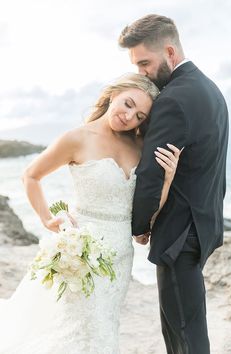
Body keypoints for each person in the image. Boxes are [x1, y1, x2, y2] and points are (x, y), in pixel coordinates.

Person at [0, 73, 181, 354]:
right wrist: (49, 220)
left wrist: (168, 178)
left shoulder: (139, 145)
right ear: (113, 95)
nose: (129, 116)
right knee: (74, 330)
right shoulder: (77, 138)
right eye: (128, 104)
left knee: (103, 330)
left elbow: (147, 212)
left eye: (140, 116)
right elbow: (31, 176)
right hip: (83, 252)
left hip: (120, 257)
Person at [119, 14, 229, 354]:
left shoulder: (173, 100)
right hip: (202, 227)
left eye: (145, 63)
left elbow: (152, 172)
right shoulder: (210, 89)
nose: (141, 72)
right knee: (185, 329)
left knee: (185, 336)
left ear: (169, 52)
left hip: (181, 235)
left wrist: (140, 225)